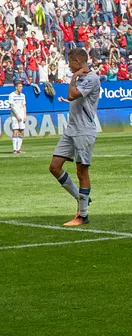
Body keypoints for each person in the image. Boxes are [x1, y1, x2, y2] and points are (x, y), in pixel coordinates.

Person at [48, 49, 101, 227]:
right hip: (71, 129)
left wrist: (73, 79)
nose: (69, 66)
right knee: (54, 167)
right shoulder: (81, 77)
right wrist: (75, 78)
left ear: (77, 61)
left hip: (84, 130)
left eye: (70, 62)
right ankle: (81, 198)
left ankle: (82, 215)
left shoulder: (92, 78)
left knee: (81, 171)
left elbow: (72, 95)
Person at [9, 81, 27, 153]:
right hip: (15, 116)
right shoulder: (12, 95)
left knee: (21, 131)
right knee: (15, 131)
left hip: (22, 115)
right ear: (16, 87)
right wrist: (17, 115)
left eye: (21, 86)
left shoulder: (23, 95)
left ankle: (19, 149)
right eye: (20, 86)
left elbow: (24, 105)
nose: (21, 88)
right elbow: (12, 107)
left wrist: (25, 115)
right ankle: (14, 149)